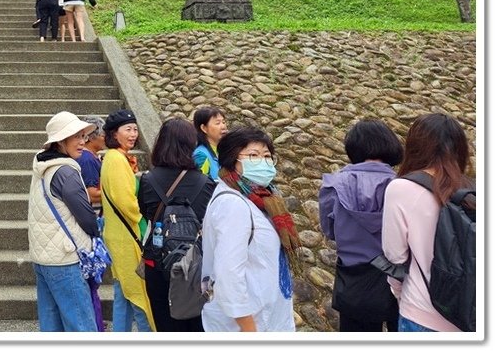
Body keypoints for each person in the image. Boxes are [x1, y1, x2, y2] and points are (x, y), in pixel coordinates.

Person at [200, 126, 300, 332]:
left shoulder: (265, 199)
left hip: (269, 316)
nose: (263, 162)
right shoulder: (233, 204)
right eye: (253, 155)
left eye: (267, 156)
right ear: (232, 160)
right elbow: (228, 273)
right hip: (247, 325)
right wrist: (249, 330)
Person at [381, 113, 474, 332]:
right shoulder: (474, 192)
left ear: (415, 146)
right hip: (471, 318)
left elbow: (394, 255)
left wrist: (398, 293)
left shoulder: (401, 189)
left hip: (422, 312)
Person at [319, 119, 403, 332]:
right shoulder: (403, 186)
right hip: (399, 280)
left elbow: (330, 231)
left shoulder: (333, 185)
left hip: (354, 281)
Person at [137, 117, 216, 331]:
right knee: (198, 325)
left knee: (165, 326)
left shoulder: (147, 180)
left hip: (158, 261)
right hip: (195, 264)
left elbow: (146, 214)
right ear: (191, 144)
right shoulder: (206, 182)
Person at [28, 111, 100, 331]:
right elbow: (86, 216)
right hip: (65, 257)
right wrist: (96, 230)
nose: (82, 142)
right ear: (61, 140)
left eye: (83, 136)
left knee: (52, 327)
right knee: (81, 327)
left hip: (44, 256)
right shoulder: (66, 172)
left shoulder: (43, 165)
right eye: (76, 137)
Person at [99, 109, 155, 332]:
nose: (133, 134)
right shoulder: (117, 160)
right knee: (138, 293)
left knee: (123, 291)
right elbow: (126, 202)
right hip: (126, 235)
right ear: (114, 133)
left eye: (134, 129)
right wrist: (143, 218)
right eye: (127, 130)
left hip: (117, 232)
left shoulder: (115, 158)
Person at [77, 115, 106, 213]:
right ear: (91, 138)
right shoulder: (87, 159)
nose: (106, 139)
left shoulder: (91, 156)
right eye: (103, 136)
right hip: (93, 212)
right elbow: (92, 194)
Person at [192, 106, 228, 180]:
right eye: (217, 123)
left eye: (224, 122)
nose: (223, 126)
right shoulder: (201, 156)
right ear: (204, 128)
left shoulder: (224, 151)